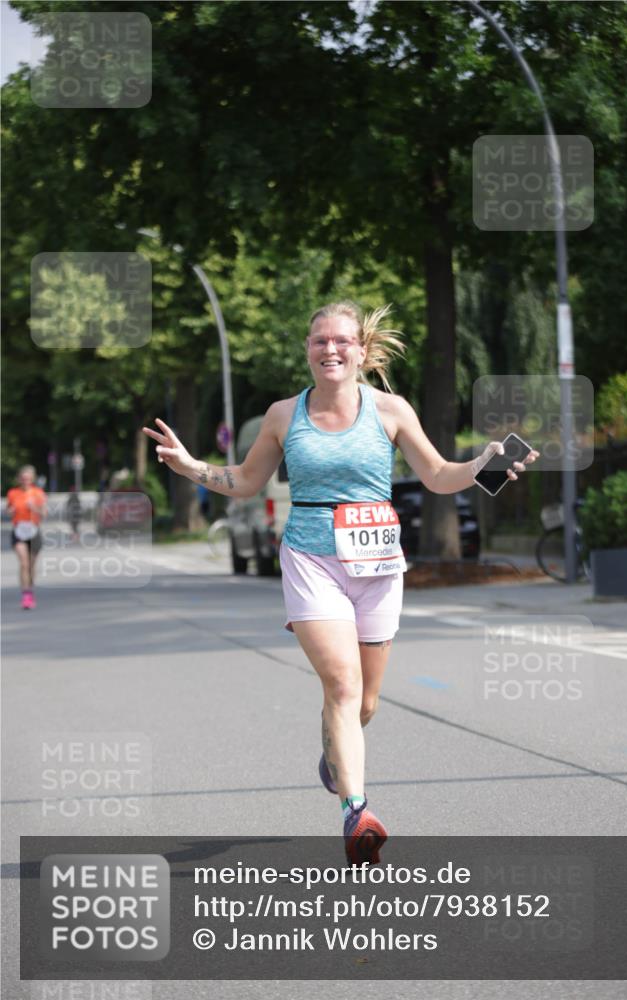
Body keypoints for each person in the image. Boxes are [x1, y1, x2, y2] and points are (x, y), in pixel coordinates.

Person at [143, 301, 539, 864]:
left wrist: (481, 466)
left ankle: (335, 755)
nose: (330, 349)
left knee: (366, 702)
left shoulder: (390, 410)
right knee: (343, 685)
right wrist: (190, 466)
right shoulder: (284, 415)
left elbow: (437, 475)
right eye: (319, 341)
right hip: (311, 559)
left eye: (341, 340)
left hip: (378, 565)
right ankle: (357, 812)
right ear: (308, 350)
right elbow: (247, 481)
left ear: (361, 350)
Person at [6, 464, 47, 610]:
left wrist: (34, 507)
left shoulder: (38, 493)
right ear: (19, 479)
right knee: (24, 563)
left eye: (28, 479)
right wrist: (10, 511)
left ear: (32, 479)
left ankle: (30, 589)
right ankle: (26, 595)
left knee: (31, 566)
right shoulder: (13, 493)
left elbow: (44, 514)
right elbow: (8, 510)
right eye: (23, 479)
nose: (25, 481)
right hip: (18, 531)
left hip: (33, 531)